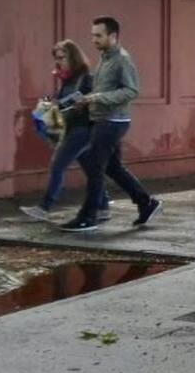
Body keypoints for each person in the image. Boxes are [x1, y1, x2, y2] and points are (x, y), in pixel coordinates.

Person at [57, 17, 163, 232]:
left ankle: (88, 217)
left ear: (113, 36)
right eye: (93, 35)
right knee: (112, 167)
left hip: (113, 121)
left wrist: (97, 98)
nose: (93, 39)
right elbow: (102, 91)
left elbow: (131, 91)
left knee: (95, 166)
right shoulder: (105, 58)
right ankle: (146, 203)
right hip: (102, 119)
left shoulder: (122, 60)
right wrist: (85, 101)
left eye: (98, 35)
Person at [23, 39, 109, 221]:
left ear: (73, 57)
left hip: (84, 129)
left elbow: (97, 100)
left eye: (62, 57)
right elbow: (60, 102)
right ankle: (103, 206)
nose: (59, 62)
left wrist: (83, 102)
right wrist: (49, 105)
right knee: (91, 170)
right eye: (57, 58)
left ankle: (44, 208)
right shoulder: (67, 79)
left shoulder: (86, 77)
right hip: (71, 128)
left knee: (58, 165)